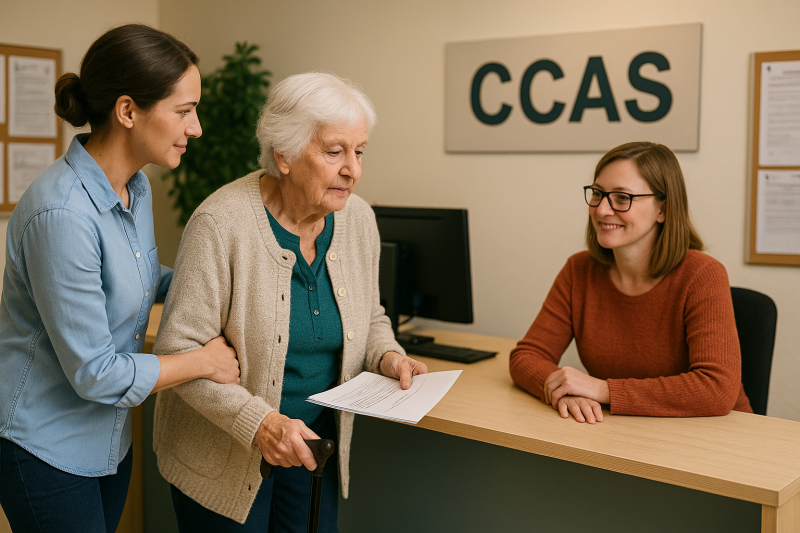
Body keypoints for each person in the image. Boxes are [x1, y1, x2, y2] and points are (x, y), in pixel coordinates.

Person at [152, 71, 428, 532]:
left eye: (359, 152)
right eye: (334, 151)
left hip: (309, 445)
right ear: (284, 154)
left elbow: (372, 313)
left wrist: (387, 355)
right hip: (225, 454)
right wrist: (259, 424)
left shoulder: (358, 219)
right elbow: (177, 355)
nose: (352, 169)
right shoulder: (220, 224)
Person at [0, 24, 240, 533]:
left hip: (107, 440)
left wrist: (227, 288)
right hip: (44, 447)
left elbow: (143, 278)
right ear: (128, 111)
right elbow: (96, 373)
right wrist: (202, 361)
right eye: (183, 111)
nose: (195, 128)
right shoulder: (62, 215)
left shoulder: (136, 188)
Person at [509, 142, 752, 424]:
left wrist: (602, 389)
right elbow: (526, 355)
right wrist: (561, 390)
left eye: (622, 198)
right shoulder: (579, 270)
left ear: (663, 209)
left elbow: (716, 390)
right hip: (622, 433)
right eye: (598, 194)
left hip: (715, 438)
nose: (602, 210)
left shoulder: (702, 274)